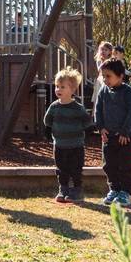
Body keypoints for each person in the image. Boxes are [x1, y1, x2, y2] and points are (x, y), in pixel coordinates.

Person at [94, 57, 131, 207]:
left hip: (124, 138)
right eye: (104, 76)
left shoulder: (128, 92)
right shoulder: (103, 91)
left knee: (125, 165)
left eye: (109, 76)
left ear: (120, 76)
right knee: (109, 165)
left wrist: (125, 131)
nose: (105, 79)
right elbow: (98, 110)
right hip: (108, 137)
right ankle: (114, 189)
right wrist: (101, 127)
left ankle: (125, 192)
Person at [43, 67, 91, 203]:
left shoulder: (78, 108)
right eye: (57, 86)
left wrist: (86, 132)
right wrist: (48, 131)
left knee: (76, 168)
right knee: (61, 168)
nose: (58, 89)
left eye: (62, 87)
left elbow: (87, 122)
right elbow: (48, 121)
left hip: (76, 145)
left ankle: (77, 189)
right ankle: (63, 188)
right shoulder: (54, 107)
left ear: (72, 90)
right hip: (59, 144)